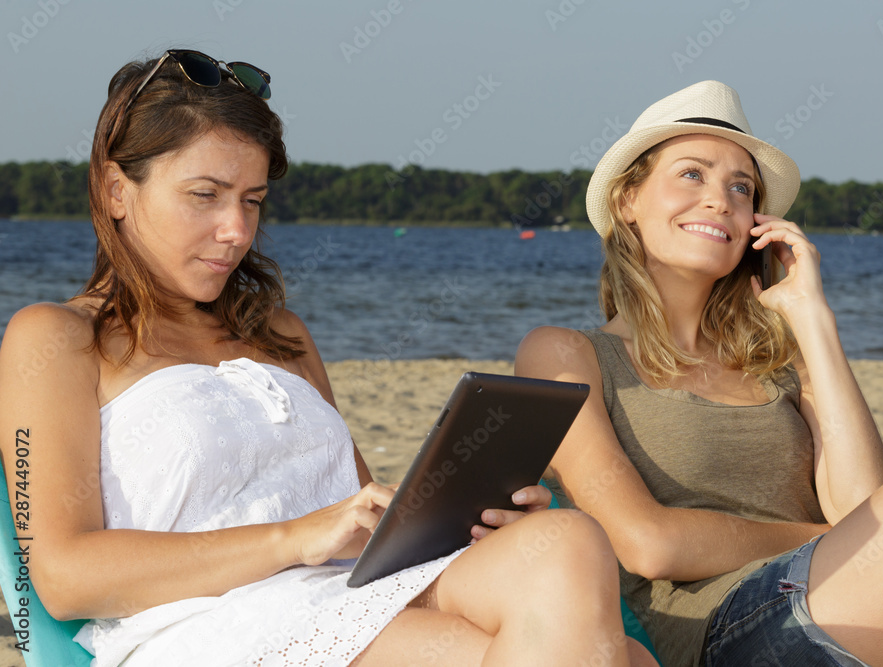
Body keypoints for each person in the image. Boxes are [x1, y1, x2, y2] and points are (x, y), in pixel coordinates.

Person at [0, 49, 658, 666]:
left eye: (252, 200)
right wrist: (296, 537)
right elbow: (62, 578)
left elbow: (364, 525)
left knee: (564, 542)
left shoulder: (278, 332)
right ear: (117, 189)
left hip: (350, 592)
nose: (236, 229)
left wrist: (462, 518)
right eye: (205, 194)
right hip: (212, 622)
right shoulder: (55, 338)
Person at [516, 79, 883, 666]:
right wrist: (836, 540)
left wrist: (813, 319)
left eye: (740, 187)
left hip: (848, 605)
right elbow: (647, 544)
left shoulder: (784, 363)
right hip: (726, 631)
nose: (720, 199)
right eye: (692, 173)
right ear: (628, 202)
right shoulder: (566, 354)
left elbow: (869, 506)